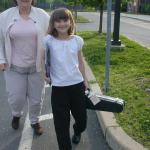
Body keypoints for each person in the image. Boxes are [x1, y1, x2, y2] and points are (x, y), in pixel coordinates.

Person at [0, 0, 50, 135]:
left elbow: (51, 38)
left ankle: (35, 121)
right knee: (16, 98)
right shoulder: (5, 16)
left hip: (36, 68)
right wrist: (1, 59)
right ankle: (16, 114)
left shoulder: (42, 15)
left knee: (36, 99)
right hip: (14, 67)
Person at [43, 8, 88, 150]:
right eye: (58, 21)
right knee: (61, 126)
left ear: (71, 22)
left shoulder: (77, 40)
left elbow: (80, 62)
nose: (62, 24)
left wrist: (85, 80)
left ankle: (77, 130)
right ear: (53, 23)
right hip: (59, 89)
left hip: (77, 86)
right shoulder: (48, 41)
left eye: (65, 20)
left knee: (82, 121)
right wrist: (42, 75)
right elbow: (40, 60)